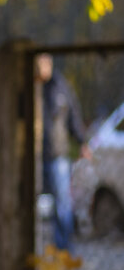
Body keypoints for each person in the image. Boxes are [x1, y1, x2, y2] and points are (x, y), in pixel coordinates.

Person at [36, 54, 91, 251]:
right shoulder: (31, 87)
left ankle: (64, 248)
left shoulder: (60, 87)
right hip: (35, 157)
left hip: (57, 154)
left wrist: (82, 142)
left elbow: (73, 116)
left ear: (48, 64)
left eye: (42, 64)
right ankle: (43, 248)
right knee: (40, 205)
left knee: (62, 204)